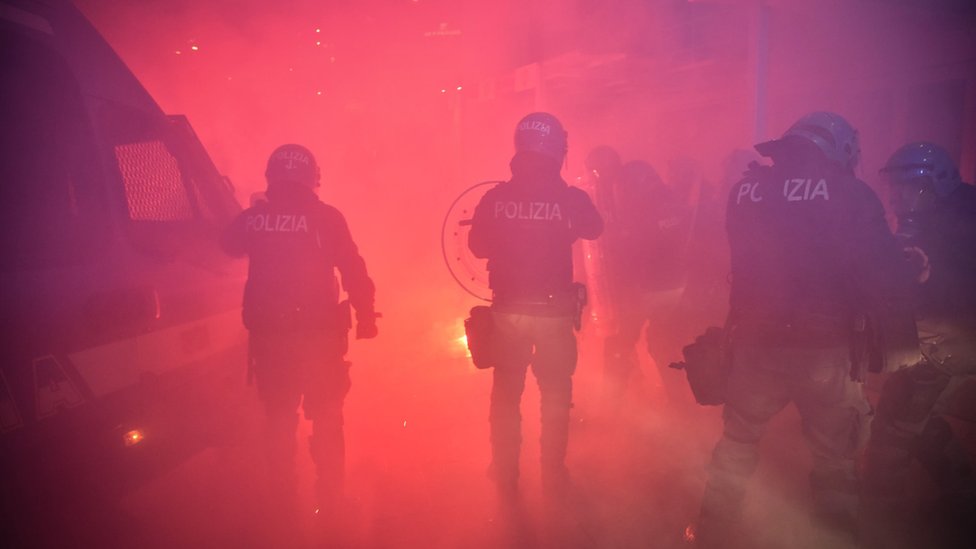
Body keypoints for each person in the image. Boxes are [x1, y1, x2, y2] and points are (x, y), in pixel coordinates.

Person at [694, 112, 915, 546]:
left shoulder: (747, 189)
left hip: (756, 345)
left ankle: (710, 533)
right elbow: (883, 275)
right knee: (834, 458)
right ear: (840, 149)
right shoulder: (851, 194)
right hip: (826, 352)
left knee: (737, 443)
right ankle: (835, 537)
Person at [221, 143, 378, 514]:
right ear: (313, 179)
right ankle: (332, 499)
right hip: (319, 339)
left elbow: (226, 244)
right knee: (326, 415)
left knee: (278, 417)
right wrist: (367, 317)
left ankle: (282, 500)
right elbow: (353, 269)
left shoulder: (254, 218)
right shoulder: (326, 218)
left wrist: (255, 212)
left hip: (270, 340)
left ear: (271, 177)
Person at [468, 112, 603, 497]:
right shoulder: (570, 198)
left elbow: (476, 247)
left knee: (507, 393)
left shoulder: (496, 197)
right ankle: (553, 473)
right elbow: (595, 228)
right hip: (555, 312)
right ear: (558, 150)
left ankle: (506, 474)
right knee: (556, 393)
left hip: (508, 310)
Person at [861, 142, 976, 543]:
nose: (899, 197)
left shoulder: (954, 225)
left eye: (911, 187)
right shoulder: (945, 217)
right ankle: (961, 495)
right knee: (920, 424)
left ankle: (878, 524)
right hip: (944, 340)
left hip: (944, 345)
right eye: (896, 187)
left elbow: (950, 284)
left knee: (891, 431)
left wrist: (928, 278)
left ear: (937, 184)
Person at [582, 149, 690, 410]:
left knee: (620, 341)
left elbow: (633, 240)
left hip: (645, 286)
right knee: (663, 342)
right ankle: (680, 402)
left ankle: (613, 404)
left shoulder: (623, 185)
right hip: (675, 282)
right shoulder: (654, 184)